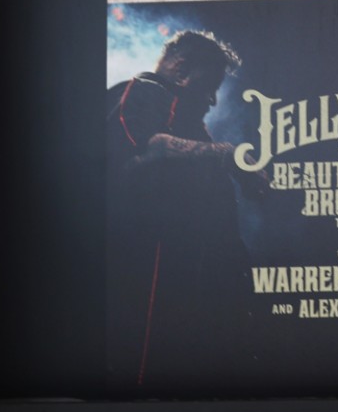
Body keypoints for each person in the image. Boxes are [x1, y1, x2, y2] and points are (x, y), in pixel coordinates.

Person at [104, 29, 244, 390]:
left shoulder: (187, 119)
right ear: (181, 69)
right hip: (147, 263)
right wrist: (228, 155)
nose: (213, 99)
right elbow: (152, 145)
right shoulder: (145, 89)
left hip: (179, 268)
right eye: (209, 84)